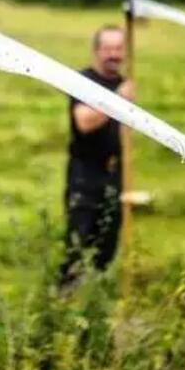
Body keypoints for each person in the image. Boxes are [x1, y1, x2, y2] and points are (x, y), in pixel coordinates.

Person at [59, 25, 135, 287]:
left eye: (119, 48)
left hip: (115, 173)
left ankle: (94, 297)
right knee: (79, 242)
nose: (114, 54)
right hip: (85, 175)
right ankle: (65, 297)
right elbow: (84, 122)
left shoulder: (124, 82)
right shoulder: (84, 81)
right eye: (108, 48)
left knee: (107, 243)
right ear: (96, 51)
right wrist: (117, 100)